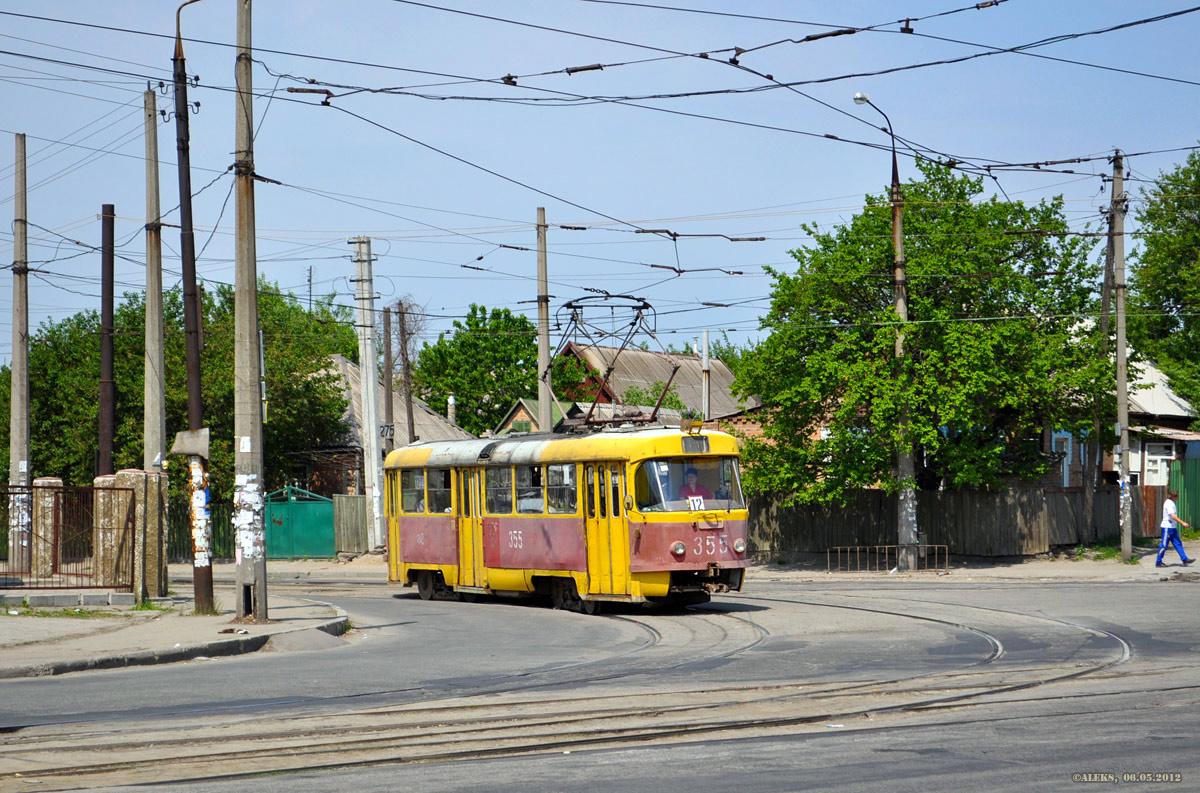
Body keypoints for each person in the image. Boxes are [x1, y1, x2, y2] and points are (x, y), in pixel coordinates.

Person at [1155, 489, 1194, 568]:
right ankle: (1158, 562)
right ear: (1175, 497)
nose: (1178, 498)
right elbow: (1172, 516)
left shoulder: (1171, 503)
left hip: (1172, 527)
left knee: (1178, 543)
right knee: (1164, 544)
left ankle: (1184, 559)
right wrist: (1183, 523)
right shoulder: (1169, 504)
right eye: (1177, 497)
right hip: (1167, 527)